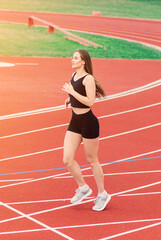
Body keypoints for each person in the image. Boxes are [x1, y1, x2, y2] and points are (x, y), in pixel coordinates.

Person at [61, 49, 110, 211]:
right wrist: (71, 99)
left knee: (92, 160)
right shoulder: (74, 76)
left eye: (75, 58)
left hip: (88, 122)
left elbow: (90, 102)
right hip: (75, 121)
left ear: (83, 61)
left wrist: (72, 92)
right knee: (67, 159)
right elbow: (78, 96)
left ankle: (102, 194)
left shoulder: (88, 78)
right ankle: (83, 188)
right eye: (72, 57)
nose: (72, 60)